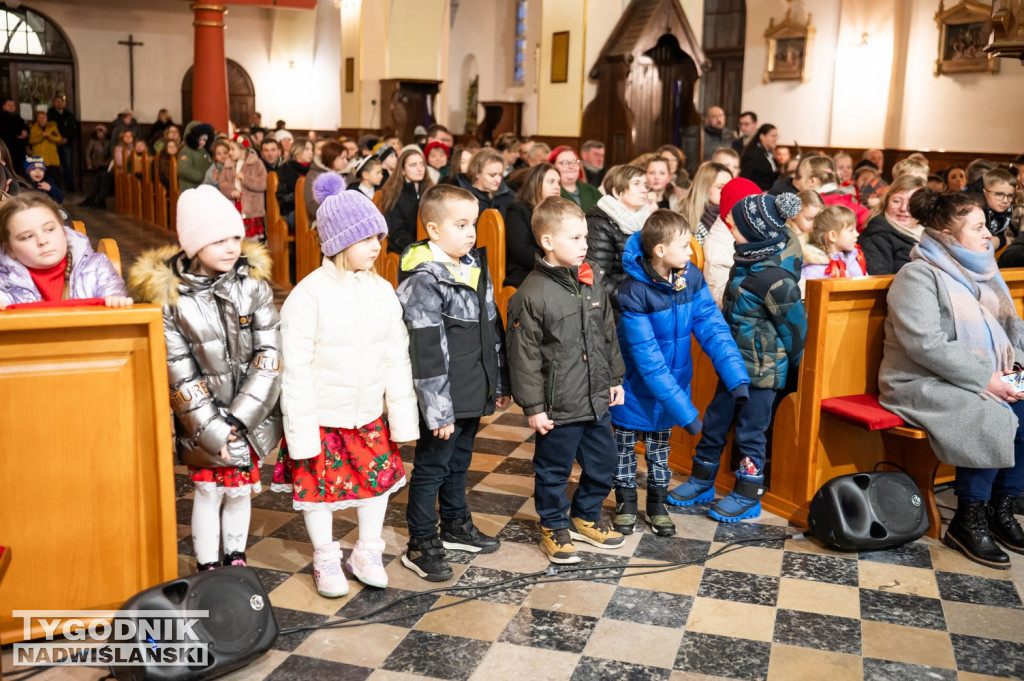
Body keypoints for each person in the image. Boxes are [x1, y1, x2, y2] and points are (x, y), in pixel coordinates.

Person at [277, 174, 417, 595]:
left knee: (376, 485)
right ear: (339, 242)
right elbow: (295, 370)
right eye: (367, 238)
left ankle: (367, 551)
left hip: (368, 413)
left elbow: (396, 356)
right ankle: (326, 557)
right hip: (322, 415)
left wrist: (403, 419)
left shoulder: (382, 291)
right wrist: (301, 431)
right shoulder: (309, 295)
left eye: (379, 237)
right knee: (318, 490)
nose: (377, 246)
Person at [128, 186, 281, 572]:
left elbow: (269, 357)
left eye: (235, 237)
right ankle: (208, 565)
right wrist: (215, 430)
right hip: (200, 422)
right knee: (208, 492)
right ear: (193, 245)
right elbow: (180, 375)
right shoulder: (170, 300)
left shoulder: (253, 286)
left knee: (240, 493)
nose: (231, 248)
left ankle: (236, 559)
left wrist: (239, 419)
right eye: (218, 240)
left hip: (248, 418)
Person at [879, 189, 1024, 569]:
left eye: (985, 226)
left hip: (983, 374)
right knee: (991, 413)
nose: (988, 235)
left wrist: (1017, 374)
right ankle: (968, 518)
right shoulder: (918, 275)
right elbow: (926, 344)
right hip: (919, 380)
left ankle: (1000, 508)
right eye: (977, 228)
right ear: (948, 235)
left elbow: (1012, 333)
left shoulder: (986, 273)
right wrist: (986, 379)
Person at [395, 184, 510, 581]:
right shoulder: (423, 278)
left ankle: (455, 524)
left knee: (460, 463)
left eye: (472, 224)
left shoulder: (474, 265)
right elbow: (426, 349)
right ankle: (421, 542)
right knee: (432, 467)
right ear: (433, 229)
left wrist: (498, 382)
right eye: (460, 225)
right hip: (442, 396)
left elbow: (492, 328)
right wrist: (438, 410)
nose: (470, 233)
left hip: (473, 386)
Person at [669, 193, 805, 521]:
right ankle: (702, 479)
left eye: (738, 224)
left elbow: (795, 331)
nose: (731, 227)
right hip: (733, 365)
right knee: (715, 420)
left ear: (756, 231)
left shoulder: (775, 278)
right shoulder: (746, 259)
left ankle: (748, 492)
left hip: (763, 371)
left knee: (750, 431)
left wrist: (795, 369)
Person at [611, 210, 748, 537]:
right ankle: (626, 503)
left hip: (672, 389)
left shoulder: (690, 277)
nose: (690, 251)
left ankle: (657, 506)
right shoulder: (632, 292)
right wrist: (687, 414)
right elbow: (649, 362)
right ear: (660, 250)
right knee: (625, 452)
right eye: (684, 246)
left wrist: (737, 378)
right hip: (634, 389)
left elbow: (712, 328)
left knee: (660, 454)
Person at [506, 197, 626, 563]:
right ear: (547, 242)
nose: (584, 244)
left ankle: (585, 515)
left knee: (604, 462)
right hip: (558, 404)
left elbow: (607, 332)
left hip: (595, 397)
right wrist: (534, 407)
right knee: (553, 471)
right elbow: (524, 357)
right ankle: (554, 525)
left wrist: (615, 377)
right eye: (575, 238)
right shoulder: (532, 293)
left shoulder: (592, 278)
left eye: (585, 237)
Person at [0, 193, 130, 309]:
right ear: (10, 249)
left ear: (63, 231)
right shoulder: (3, 278)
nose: (42, 241)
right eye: (28, 236)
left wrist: (116, 301)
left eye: (49, 229)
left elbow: (114, 296)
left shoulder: (97, 267)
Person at [586, 165, 652, 312]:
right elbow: (597, 278)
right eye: (636, 184)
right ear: (617, 192)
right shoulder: (599, 222)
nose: (644, 190)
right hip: (615, 305)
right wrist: (632, 300)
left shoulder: (646, 220)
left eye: (645, 185)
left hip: (640, 295)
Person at [859, 174, 927, 275]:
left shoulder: (930, 231)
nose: (903, 208)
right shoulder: (875, 235)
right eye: (897, 201)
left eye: (912, 203)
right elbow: (880, 279)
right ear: (887, 202)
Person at [505, 163, 559, 288]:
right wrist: (552, 263)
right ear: (536, 183)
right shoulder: (517, 210)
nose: (557, 186)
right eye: (551, 182)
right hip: (526, 272)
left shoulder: (559, 214)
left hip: (555, 269)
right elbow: (521, 251)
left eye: (558, 182)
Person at [800, 205, 866, 293]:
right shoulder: (813, 270)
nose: (857, 234)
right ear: (832, 236)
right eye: (851, 230)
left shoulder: (853, 259)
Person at [379, 147, 432, 255]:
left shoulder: (431, 191)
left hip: (429, 247)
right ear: (402, 170)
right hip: (403, 252)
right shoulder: (394, 194)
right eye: (413, 165)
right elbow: (397, 232)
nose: (419, 169)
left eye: (422, 164)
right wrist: (420, 249)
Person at [218, 138, 268, 242]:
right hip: (233, 206)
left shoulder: (256, 163)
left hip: (251, 209)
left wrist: (245, 179)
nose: (230, 152)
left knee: (251, 240)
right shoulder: (228, 164)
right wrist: (231, 191)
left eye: (233, 149)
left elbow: (263, 184)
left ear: (242, 150)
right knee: (234, 237)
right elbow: (222, 183)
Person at [454, 148, 515, 218]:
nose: (498, 180)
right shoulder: (461, 197)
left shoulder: (508, 196)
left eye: (500, 174)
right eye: (492, 175)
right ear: (477, 173)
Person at [681, 162, 731, 245]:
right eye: (720, 187)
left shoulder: (736, 217)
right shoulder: (684, 222)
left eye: (730, 186)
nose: (727, 191)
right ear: (704, 188)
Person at [968, 168, 1017, 250]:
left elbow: (1001, 236)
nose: (1005, 201)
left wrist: (999, 240)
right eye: (999, 194)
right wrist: (1000, 241)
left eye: (1010, 195)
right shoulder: (972, 211)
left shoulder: (1006, 209)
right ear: (985, 192)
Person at [549, 146, 601, 212]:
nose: (571, 166)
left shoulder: (592, 191)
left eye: (574, 162)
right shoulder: (551, 192)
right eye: (564, 163)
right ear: (553, 166)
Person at [275, 137, 312, 231]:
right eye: (307, 149)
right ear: (297, 151)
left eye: (311, 149)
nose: (310, 152)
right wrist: (301, 197)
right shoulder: (286, 169)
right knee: (303, 216)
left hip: (311, 209)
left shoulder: (314, 169)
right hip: (291, 210)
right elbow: (282, 197)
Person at [304, 140, 347, 217]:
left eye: (346, 158)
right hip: (322, 218)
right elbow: (312, 206)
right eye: (343, 158)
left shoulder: (347, 174)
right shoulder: (314, 175)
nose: (346, 162)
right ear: (332, 158)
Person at [46, 94, 77, 191]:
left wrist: (67, 139)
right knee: (55, 166)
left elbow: (74, 130)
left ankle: (69, 186)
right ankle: (55, 186)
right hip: (53, 144)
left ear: (64, 103)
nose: (59, 103)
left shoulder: (69, 115)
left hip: (66, 143)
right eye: (57, 102)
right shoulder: (50, 115)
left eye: (61, 102)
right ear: (54, 103)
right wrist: (57, 139)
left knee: (67, 165)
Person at [739, 124, 780, 190]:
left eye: (776, 136)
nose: (776, 139)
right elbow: (744, 178)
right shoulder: (753, 154)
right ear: (762, 137)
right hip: (757, 192)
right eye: (773, 136)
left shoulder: (769, 153)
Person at [178, 122, 214, 192]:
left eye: (204, 140)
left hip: (203, 187)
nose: (202, 142)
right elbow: (184, 169)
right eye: (199, 139)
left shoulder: (204, 151)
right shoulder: (186, 151)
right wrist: (202, 177)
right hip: (191, 188)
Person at [28, 111, 61, 185]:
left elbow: (59, 139)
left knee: (55, 181)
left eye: (44, 117)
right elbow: (31, 140)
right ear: (37, 119)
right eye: (40, 118)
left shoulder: (53, 127)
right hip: (39, 158)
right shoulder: (34, 128)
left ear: (47, 118)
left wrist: (49, 136)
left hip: (52, 158)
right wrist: (42, 136)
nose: (42, 119)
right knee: (40, 182)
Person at [0, 99, 28, 171]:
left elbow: (26, 128)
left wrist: (25, 133)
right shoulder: (2, 117)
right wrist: (18, 133)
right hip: (8, 149)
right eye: (9, 105)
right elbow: (6, 130)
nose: (12, 107)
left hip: (19, 152)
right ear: (4, 106)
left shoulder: (17, 117)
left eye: (13, 105)